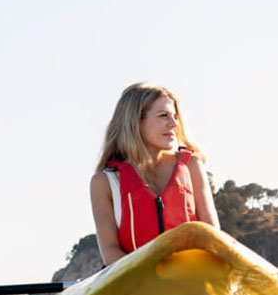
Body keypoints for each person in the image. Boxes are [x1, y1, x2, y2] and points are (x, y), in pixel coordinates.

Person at [90, 84, 219, 266]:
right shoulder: (104, 182)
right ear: (136, 122)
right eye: (163, 116)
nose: (174, 124)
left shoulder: (192, 166)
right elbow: (110, 250)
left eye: (175, 117)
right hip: (136, 284)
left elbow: (212, 233)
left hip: (192, 281)